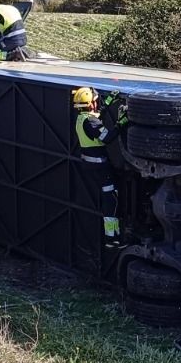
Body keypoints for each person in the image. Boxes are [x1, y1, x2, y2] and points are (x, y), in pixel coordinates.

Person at [72, 86, 120, 246]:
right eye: (95, 101)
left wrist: (107, 103)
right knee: (111, 198)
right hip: (100, 167)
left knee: (107, 197)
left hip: (90, 164)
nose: (96, 103)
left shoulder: (81, 118)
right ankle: (112, 238)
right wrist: (122, 123)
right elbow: (107, 137)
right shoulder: (90, 121)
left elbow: (97, 116)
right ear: (90, 103)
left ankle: (112, 235)